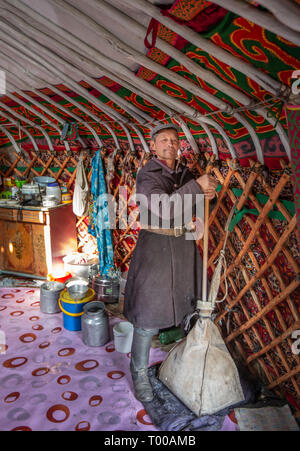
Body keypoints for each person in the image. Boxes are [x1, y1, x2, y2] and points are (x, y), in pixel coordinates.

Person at [124, 123, 218, 403]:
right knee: (147, 316)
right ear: (153, 146)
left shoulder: (185, 173)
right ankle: (139, 372)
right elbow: (165, 208)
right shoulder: (147, 175)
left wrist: (207, 197)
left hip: (183, 246)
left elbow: (194, 207)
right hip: (155, 248)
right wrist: (196, 187)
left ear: (180, 145)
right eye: (163, 140)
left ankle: (180, 363)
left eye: (174, 140)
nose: (170, 144)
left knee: (188, 307)